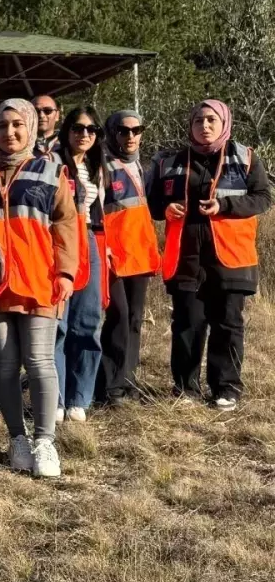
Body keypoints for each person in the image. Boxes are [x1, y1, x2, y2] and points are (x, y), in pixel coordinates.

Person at [148, 100, 271, 410]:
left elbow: (262, 199)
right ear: (190, 126)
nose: (204, 125)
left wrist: (225, 206)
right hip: (186, 258)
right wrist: (165, 208)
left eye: (211, 120)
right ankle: (185, 389)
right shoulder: (171, 162)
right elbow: (151, 203)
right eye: (198, 120)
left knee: (227, 324)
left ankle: (226, 388)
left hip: (231, 258)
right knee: (187, 324)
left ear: (224, 123)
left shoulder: (245, 158)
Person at [0, 99, 78, 478]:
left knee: (39, 362)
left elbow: (67, 224)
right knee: (4, 367)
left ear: (31, 128)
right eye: (2, 126)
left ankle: (45, 440)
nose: (9, 133)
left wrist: (66, 272)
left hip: (40, 281)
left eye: (17, 125)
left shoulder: (50, 172)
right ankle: (17, 438)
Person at [98, 109, 159, 404]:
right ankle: (110, 386)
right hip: (112, 255)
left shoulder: (143, 168)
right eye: (123, 130)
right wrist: (102, 249)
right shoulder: (102, 165)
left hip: (138, 253)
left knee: (134, 318)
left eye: (136, 130)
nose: (131, 136)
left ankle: (126, 380)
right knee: (118, 317)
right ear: (112, 132)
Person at [53, 107, 108, 424]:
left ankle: (79, 398)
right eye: (77, 128)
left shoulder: (98, 167)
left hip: (90, 240)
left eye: (92, 129)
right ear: (66, 131)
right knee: (58, 324)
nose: (84, 134)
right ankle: (56, 398)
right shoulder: (52, 162)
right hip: (59, 239)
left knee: (87, 323)